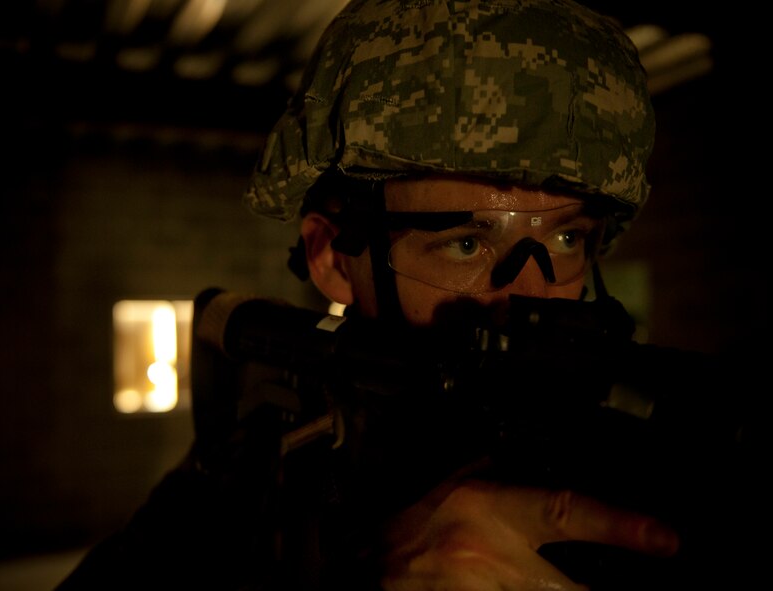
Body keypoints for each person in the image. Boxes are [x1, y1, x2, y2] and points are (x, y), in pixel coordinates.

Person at [57, 0, 755, 589]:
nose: (536, 295)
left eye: (568, 240)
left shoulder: (651, 471)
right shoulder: (264, 459)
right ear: (333, 258)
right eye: (467, 243)